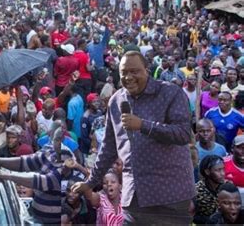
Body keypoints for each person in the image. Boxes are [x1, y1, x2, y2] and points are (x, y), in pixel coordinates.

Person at [72, 51, 195, 224]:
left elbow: (182, 134)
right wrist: (90, 182)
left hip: (170, 194)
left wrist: (143, 125)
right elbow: (108, 148)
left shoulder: (170, 93)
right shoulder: (116, 100)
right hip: (135, 196)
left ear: (147, 70)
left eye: (134, 71)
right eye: (124, 73)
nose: (128, 77)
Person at [0, 127, 72, 224]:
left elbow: (44, 181)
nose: (52, 142)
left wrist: (9, 176)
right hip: (36, 218)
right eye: (52, 139)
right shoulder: (50, 150)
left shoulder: (67, 159)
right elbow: (24, 162)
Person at [191, 155, 225, 224]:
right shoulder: (196, 191)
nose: (222, 173)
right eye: (218, 170)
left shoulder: (226, 187)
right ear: (207, 172)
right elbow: (192, 216)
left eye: (223, 169)